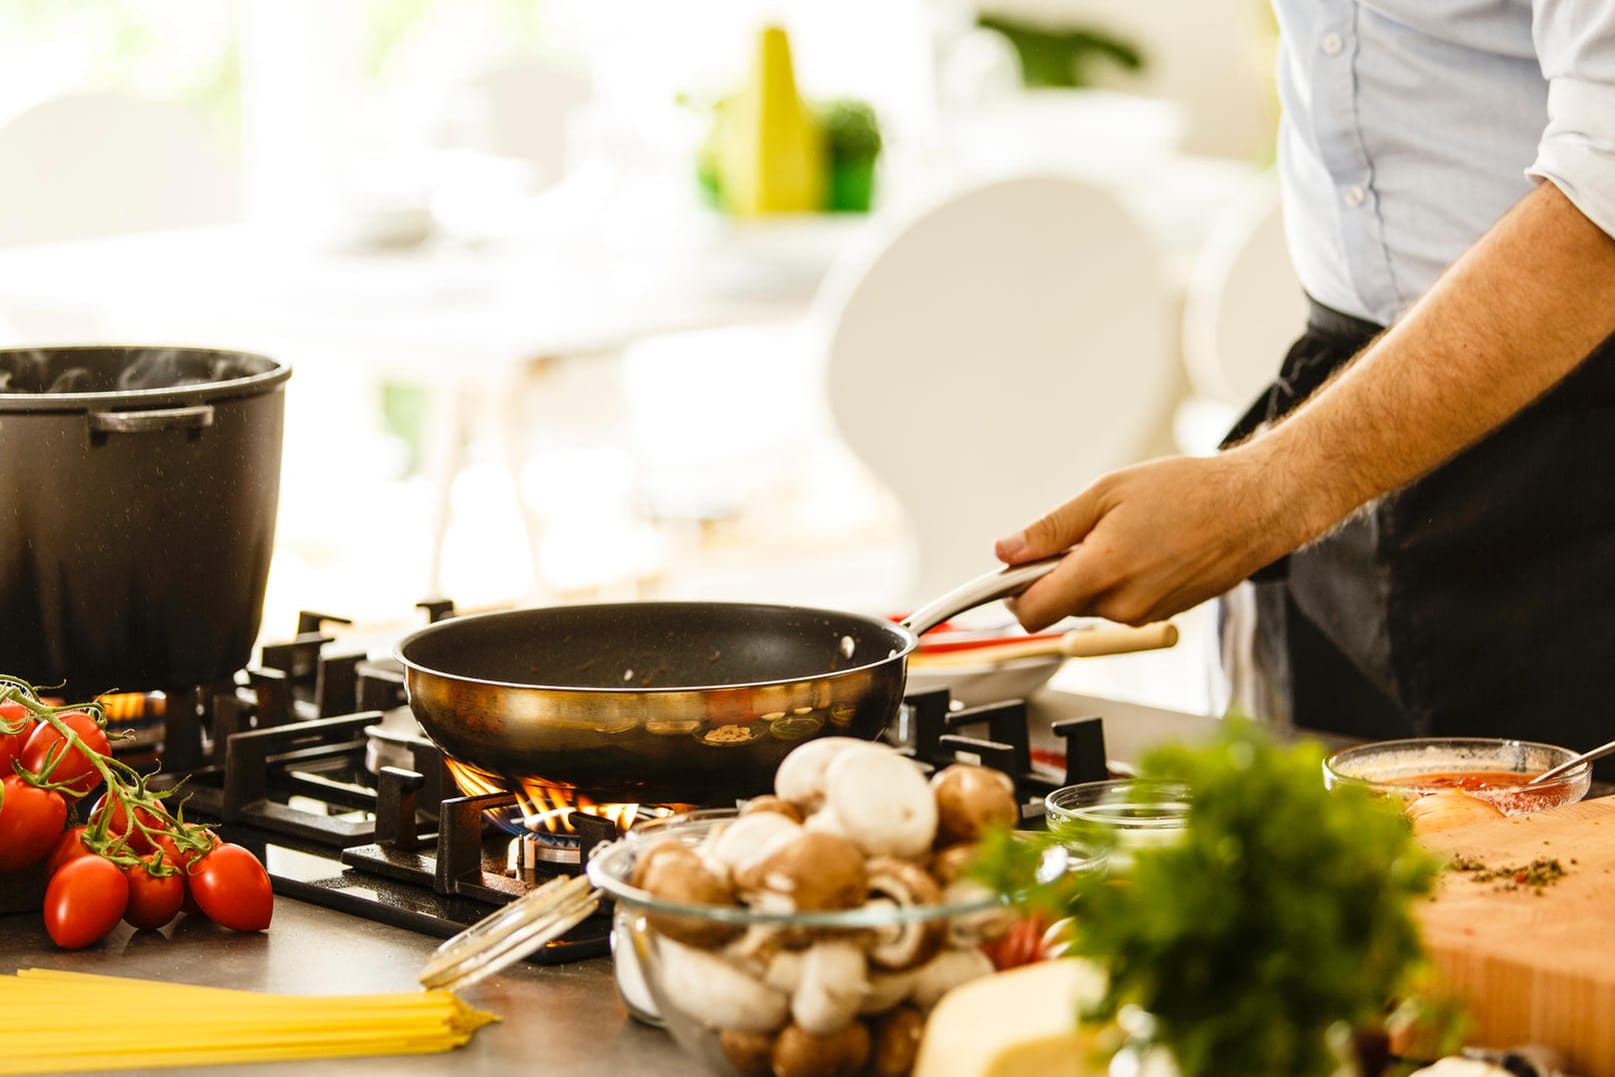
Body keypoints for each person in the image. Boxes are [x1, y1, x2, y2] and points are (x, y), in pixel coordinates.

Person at [993, 1, 1615, 756]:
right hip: (1343, 405)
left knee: (1553, 855)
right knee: (1326, 838)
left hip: (1577, 444)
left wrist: (1253, 498)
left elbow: (1603, 188)